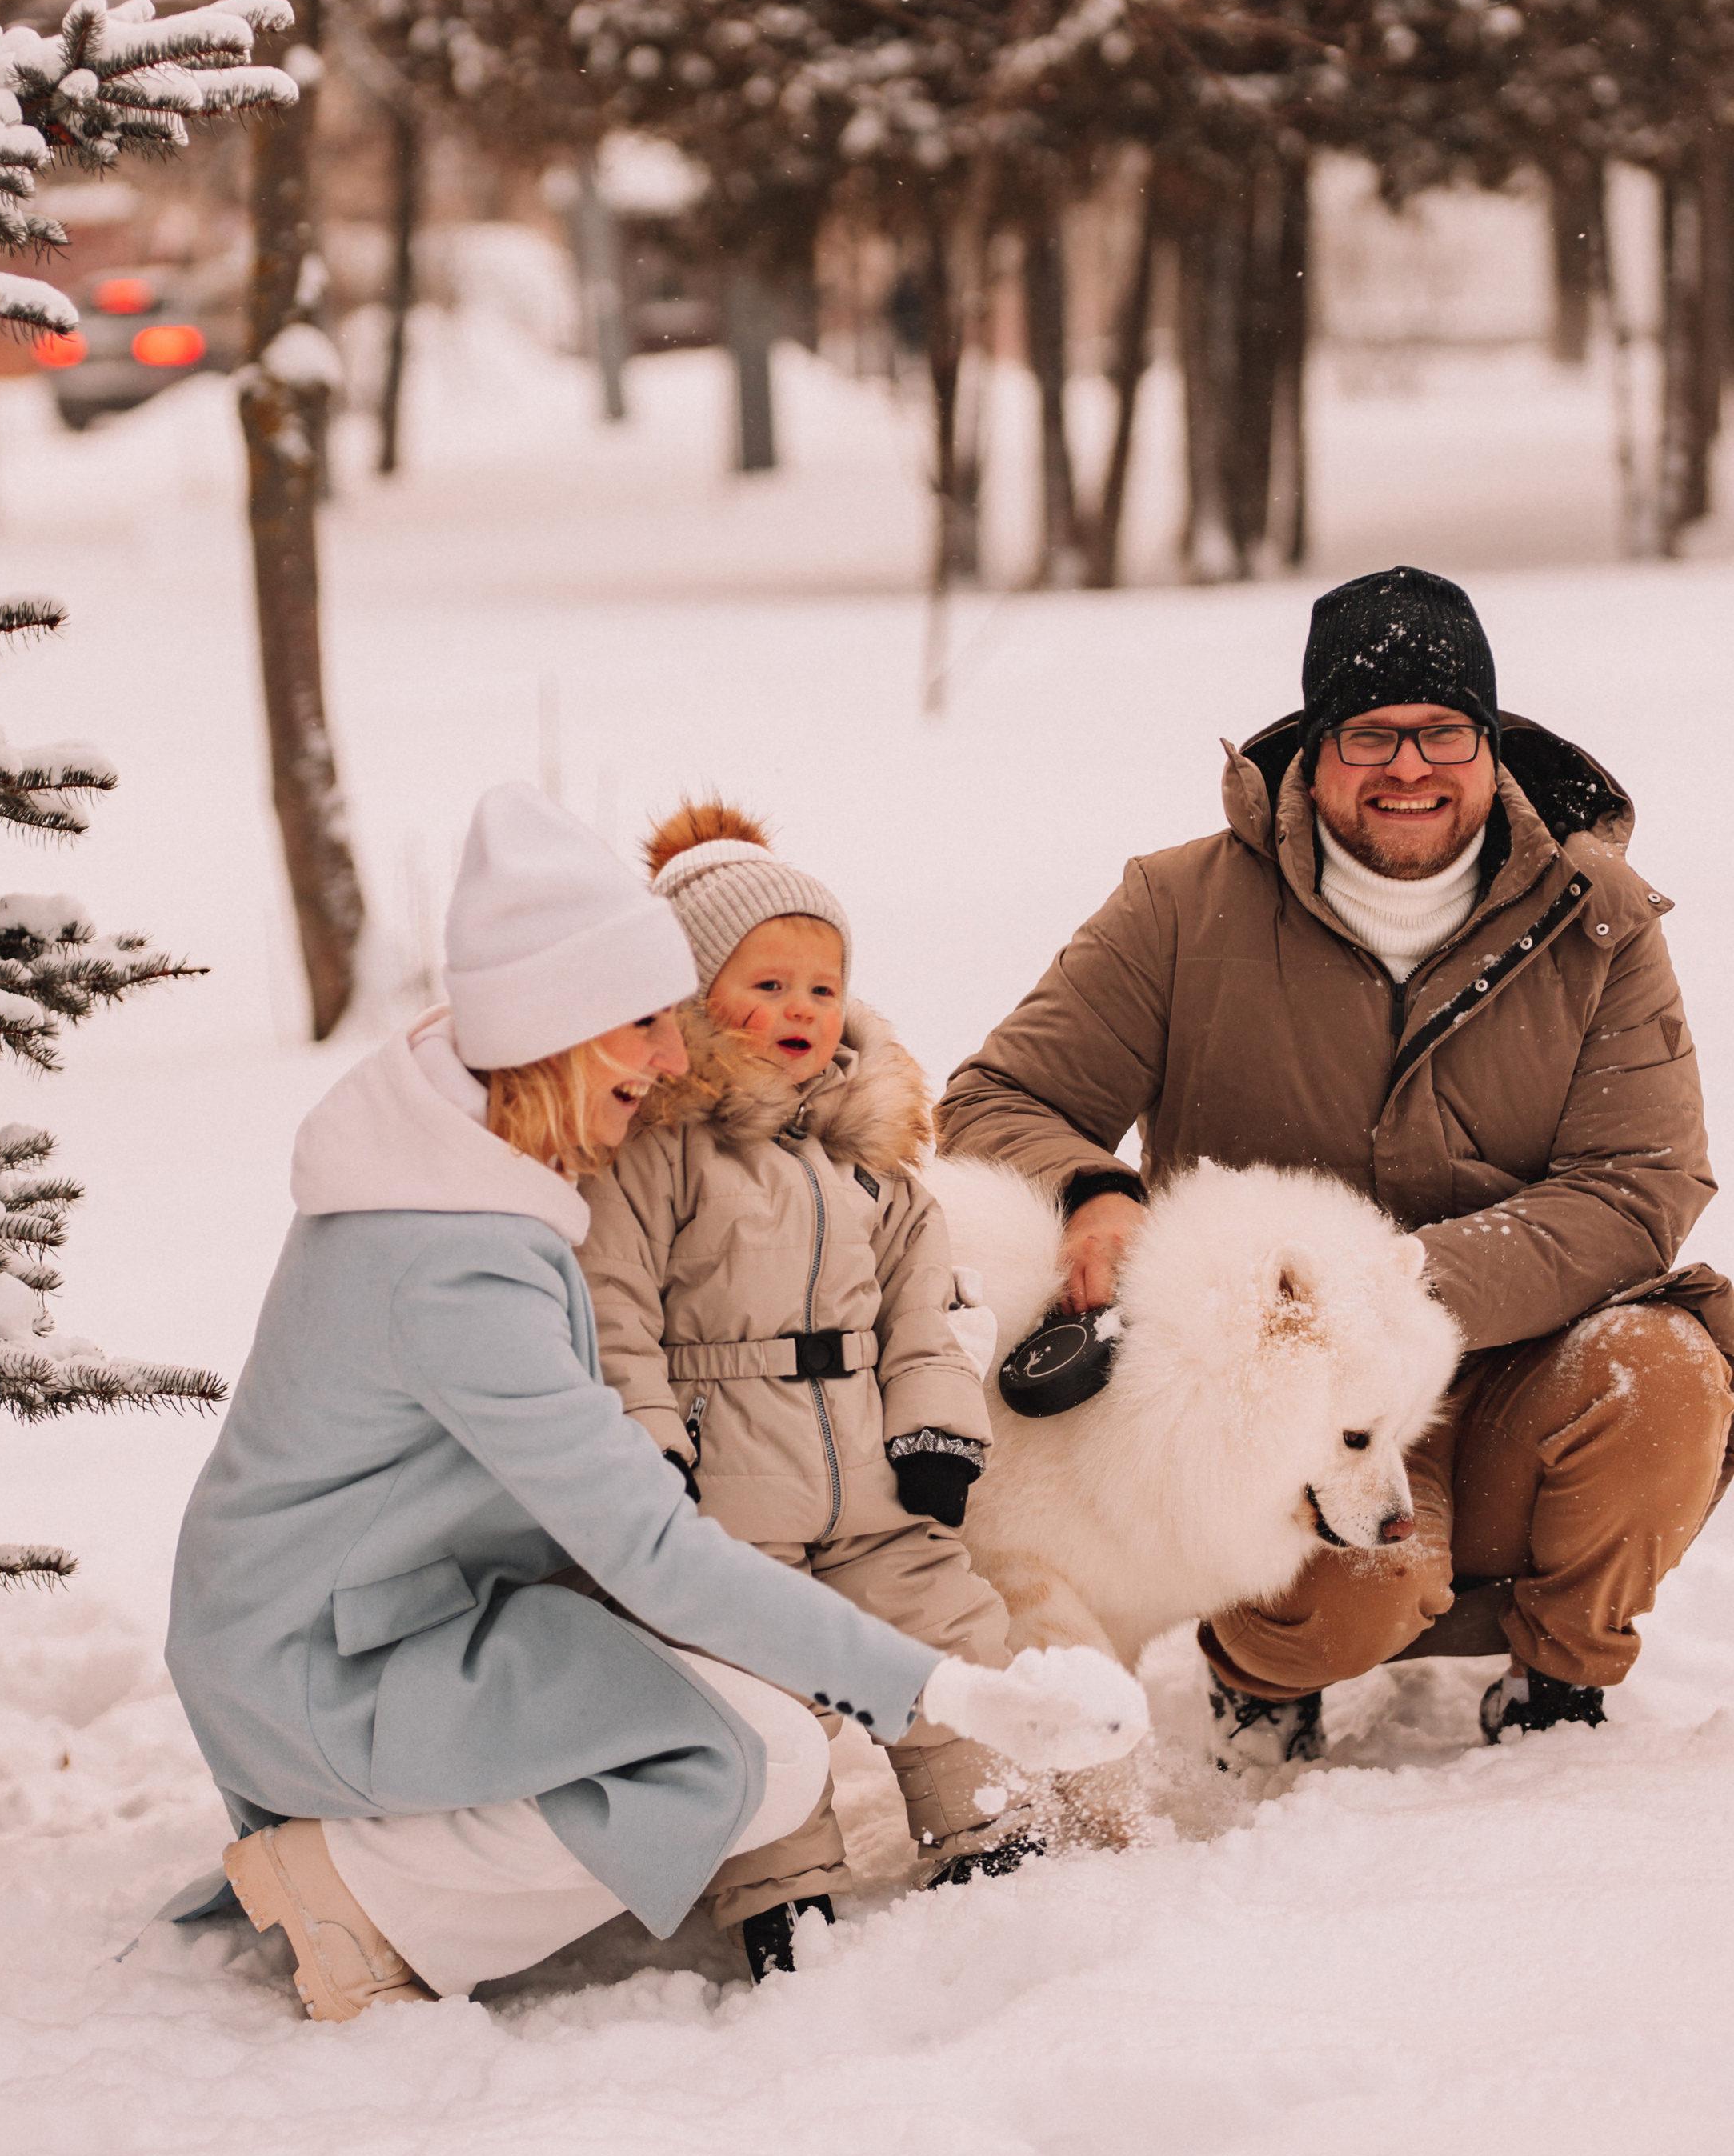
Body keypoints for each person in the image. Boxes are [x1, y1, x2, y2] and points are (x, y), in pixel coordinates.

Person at [166, 782, 1142, 2022]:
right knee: (762, 1758)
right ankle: (357, 1889)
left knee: (728, 1725)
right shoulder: (450, 1257)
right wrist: (947, 1691)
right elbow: (653, 1548)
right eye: (646, 1022)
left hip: (405, 1612)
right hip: (322, 1664)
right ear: (556, 1030)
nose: (680, 1057)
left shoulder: (471, 1143)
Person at [936, 566, 1734, 1769]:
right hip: (1283, 1390)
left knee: (1661, 1374)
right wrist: (1097, 1192)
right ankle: (1267, 1678)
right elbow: (998, 1099)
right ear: (1313, 752)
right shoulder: (1180, 907)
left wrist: (1392, 1283)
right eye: (1369, 735)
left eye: (1442, 734)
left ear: (1491, 745)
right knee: (1341, 1603)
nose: (1407, 767)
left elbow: (1640, 1186)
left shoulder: (1597, 921)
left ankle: (1559, 1684)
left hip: (1517, 1366)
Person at [578, 802, 1022, 1978]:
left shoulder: (868, 1160)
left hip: (871, 1482)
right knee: (752, 1687)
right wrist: (648, 1450)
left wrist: (936, 1430)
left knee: (952, 1634)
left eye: (820, 990)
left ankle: (990, 1833)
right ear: (687, 1001)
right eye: (763, 985)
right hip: (728, 1504)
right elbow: (612, 1312)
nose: (797, 1013)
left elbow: (924, 1309)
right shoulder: (659, 1151)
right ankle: (782, 1894)